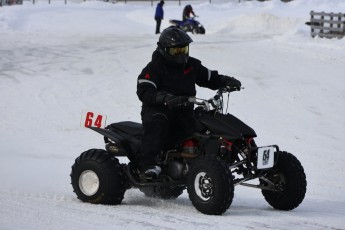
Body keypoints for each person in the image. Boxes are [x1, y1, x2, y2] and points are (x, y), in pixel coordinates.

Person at [136, 27, 241, 178]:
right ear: (164, 50)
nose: (181, 54)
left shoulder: (191, 65)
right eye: (175, 51)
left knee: (205, 124)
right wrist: (164, 98)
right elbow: (144, 90)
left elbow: (209, 78)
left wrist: (224, 81)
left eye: (183, 49)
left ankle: (203, 160)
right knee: (158, 124)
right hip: (159, 109)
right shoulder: (154, 68)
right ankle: (149, 165)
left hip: (183, 110)